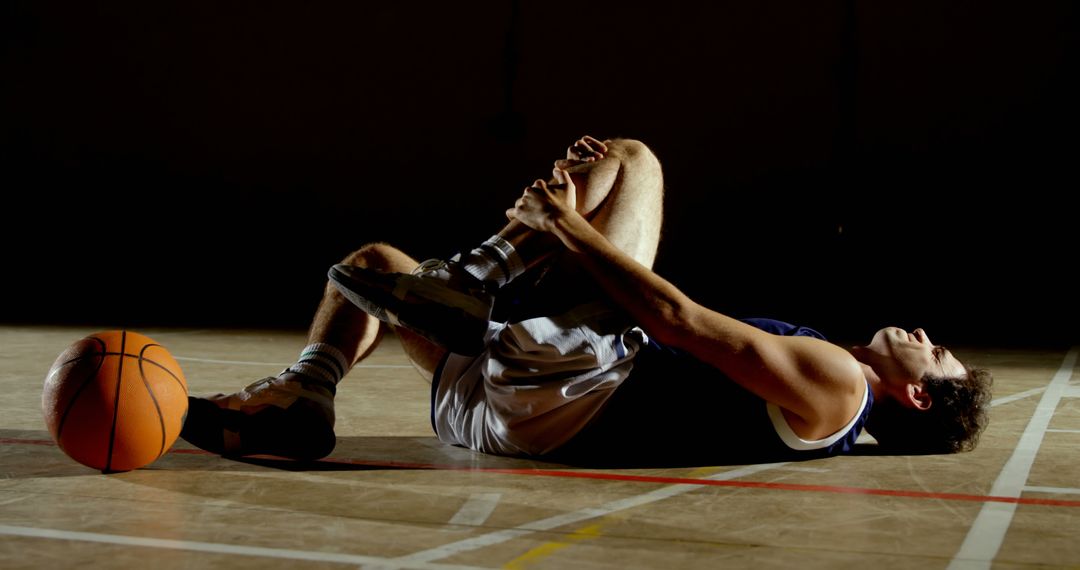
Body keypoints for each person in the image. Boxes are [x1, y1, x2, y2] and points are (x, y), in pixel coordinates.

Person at [181, 136, 993, 465]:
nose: (925, 332)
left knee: (635, 161)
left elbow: (672, 319)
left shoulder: (840, 387)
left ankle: (484, 271)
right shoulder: (826, 381)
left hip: (580, 390)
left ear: (916, 392)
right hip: (508, 420)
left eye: (935, 348)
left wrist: (564, 225)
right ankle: (310, 396)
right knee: (370, 266)